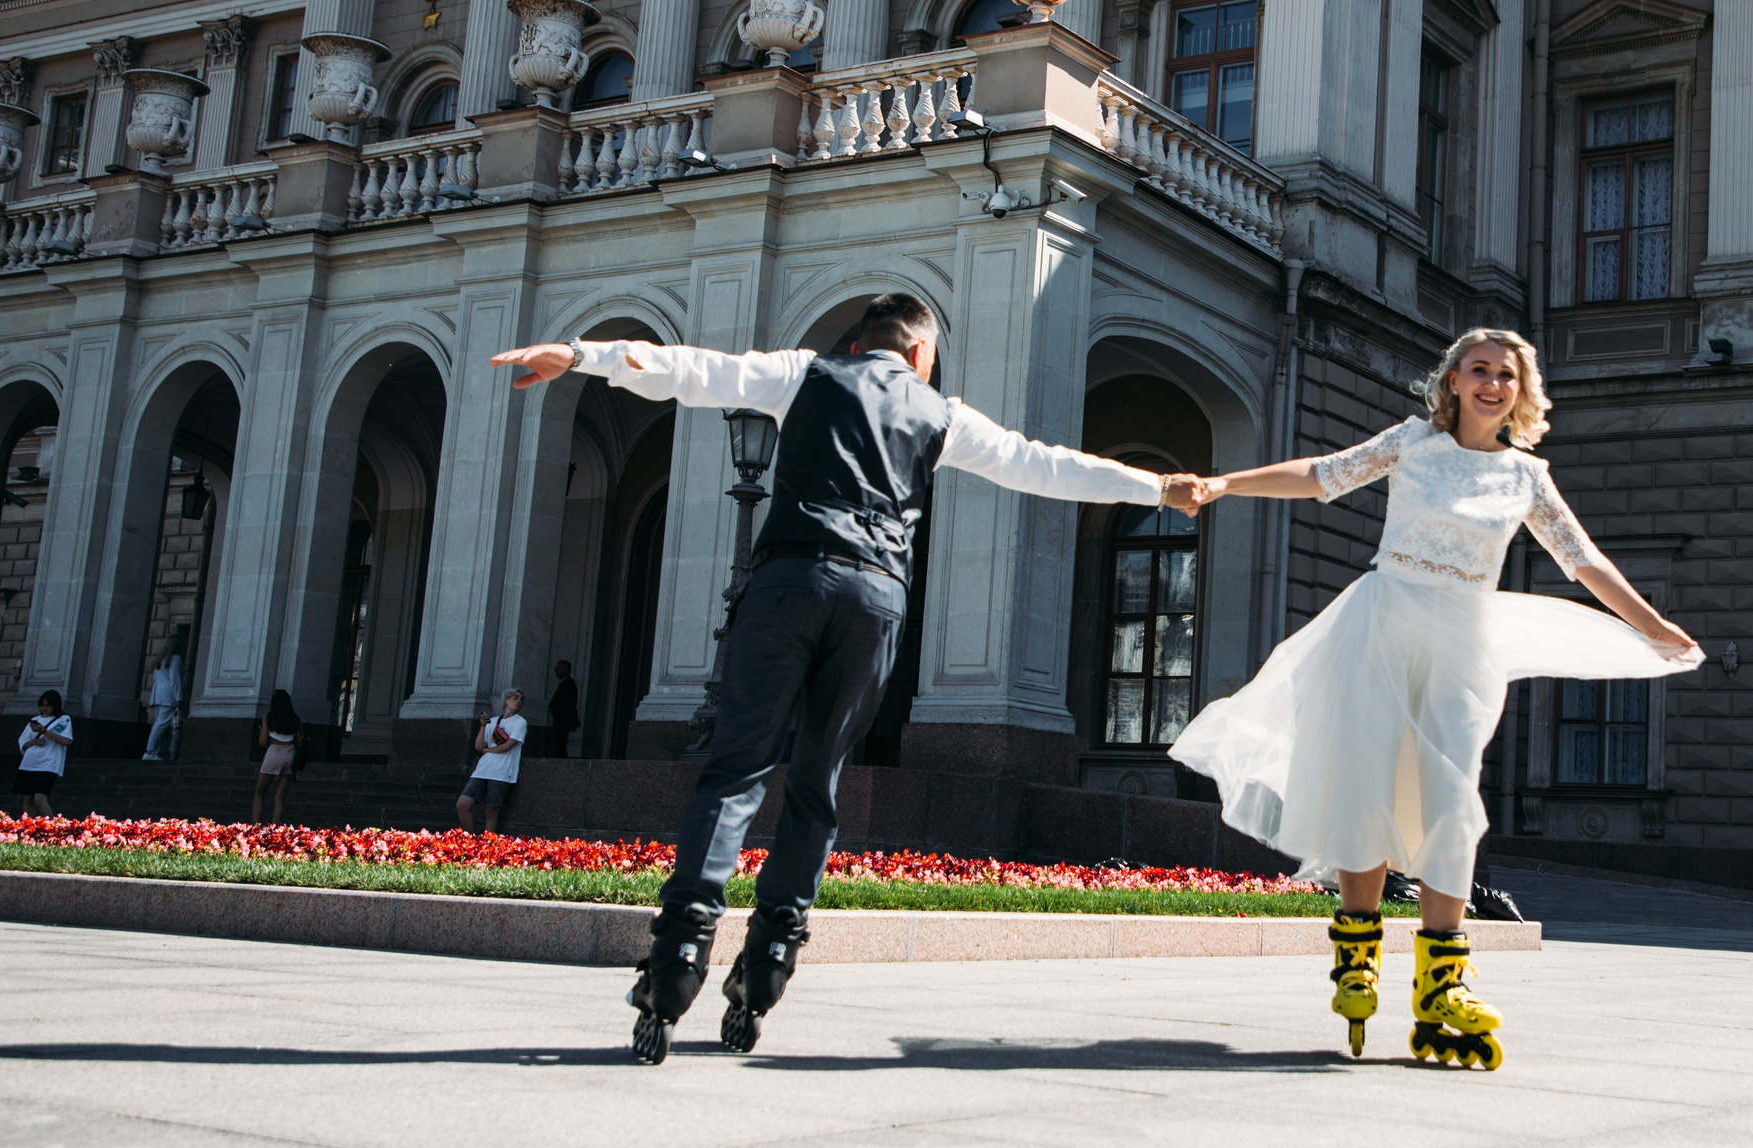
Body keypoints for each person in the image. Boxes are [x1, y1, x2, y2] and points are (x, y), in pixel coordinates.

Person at [492, 292, 1198, 1064]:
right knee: (816, 783)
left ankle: (678, 958)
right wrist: (1157, 487)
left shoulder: (807, 373)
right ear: (922, 354)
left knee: (735, 772)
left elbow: (696, 370)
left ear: (858, 345)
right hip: (874, 600)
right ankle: (769, 959)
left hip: (788, 582)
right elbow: (1043, 465)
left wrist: (581, 355)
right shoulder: (942, 414)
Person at [1165, 328, 1702, 1070]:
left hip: (1463, 643)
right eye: (1479, 370)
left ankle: (1441, 988)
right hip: (1383, 625)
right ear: (1452, 380)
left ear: (1521, 392)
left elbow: (1583, 560)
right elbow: (1321, 474)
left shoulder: (1526, 476)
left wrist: (1651, 624)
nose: (1492, 384)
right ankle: (1357, 959)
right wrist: (1225, 483)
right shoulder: (1412, 442)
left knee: (1451, 801)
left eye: (1507, 376)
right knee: (1368, 785)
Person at [458, 690, 528, 832]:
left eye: (521, 699)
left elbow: (507, 746)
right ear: (506, 700)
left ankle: (488, 844)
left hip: (502, 771)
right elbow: (479, 746)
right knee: (462, 805)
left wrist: (487, 750)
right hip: (483, 769)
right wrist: (483, 726)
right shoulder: (493, 721)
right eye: (515, 697)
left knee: (491, 811)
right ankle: (470, 840)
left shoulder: (520, 722)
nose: (518, 701)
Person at [13, 690, 72, 816]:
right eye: (42, 705)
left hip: (48, 763)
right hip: (30, 762)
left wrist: (44, 731)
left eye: (48, 706)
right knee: (28, 799)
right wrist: (33, 742)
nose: (44, 709)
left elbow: (65, 740)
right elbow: (23, 742)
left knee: (39, 798)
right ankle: (29, 825)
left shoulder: (63, 720)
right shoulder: (35, 720)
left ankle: (50, 825)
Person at [250, 690, 301, 825]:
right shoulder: (294, 718)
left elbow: (262, 742)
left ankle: (256, 826)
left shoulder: (269, 717)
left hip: (274, 752)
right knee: (280, 797)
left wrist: (261, 732)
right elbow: (299, 738)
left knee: (259, 793)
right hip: (290, 754)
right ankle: (276, 828)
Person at [143, 647, 187, 762]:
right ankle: (150, 752)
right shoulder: (175, 658)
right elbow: (175, 679)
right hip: (168, 695)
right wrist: (179, 698)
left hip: (158, 694)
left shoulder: (160, 659)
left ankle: (158, 752)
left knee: (161, 724)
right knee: (161, 725)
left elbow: (156, 678)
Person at [547, 661, 580, 760]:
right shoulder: (565, 684)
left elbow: (567, 704)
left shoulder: (568, 684)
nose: (555, 671)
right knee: (559, 744)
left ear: (565, 670)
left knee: (560, 745)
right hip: (561, 720)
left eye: (558, 668)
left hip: (563, 720)